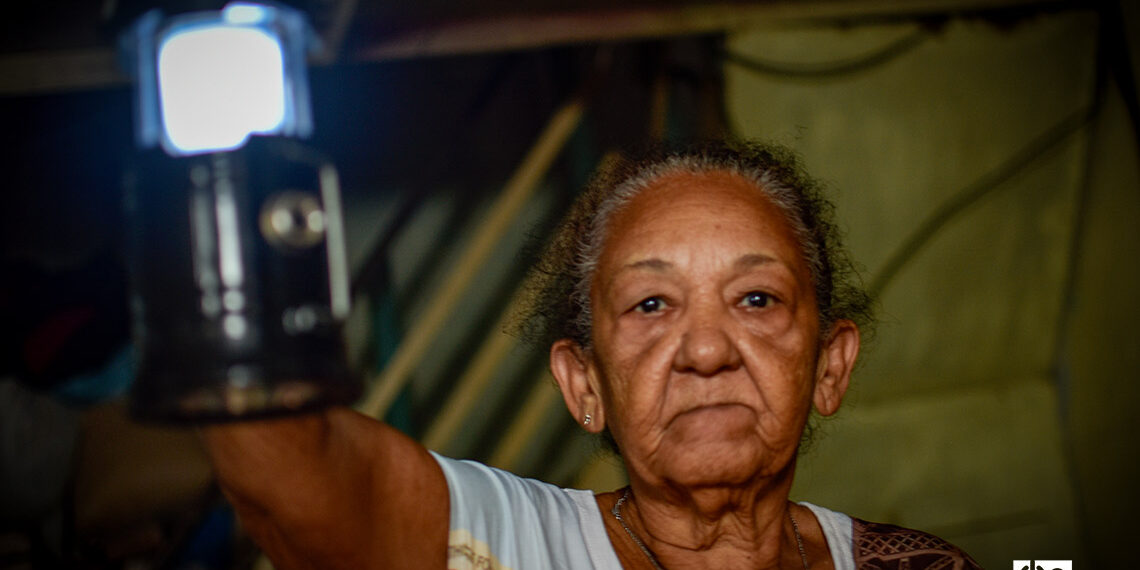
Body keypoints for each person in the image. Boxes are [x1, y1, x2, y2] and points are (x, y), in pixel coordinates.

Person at [202, 140, 981, 569]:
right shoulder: (503, 542)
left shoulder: (909, 569)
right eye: (650, 305)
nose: (706, 349)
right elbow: (288, 475)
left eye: (756, 299)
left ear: (830, 365)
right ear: (584, 386)